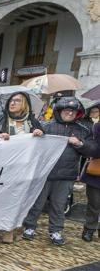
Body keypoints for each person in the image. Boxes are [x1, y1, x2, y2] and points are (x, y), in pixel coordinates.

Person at [22, 97, 96, 246]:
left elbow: (92, 149)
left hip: (66, 175)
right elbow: (31, 142)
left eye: (73, 111)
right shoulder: (46, 126)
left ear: (78, 113)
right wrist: (35, 132)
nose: (70, 113)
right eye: (67, 110)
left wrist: (80, 144)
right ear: (59, 111)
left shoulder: (83, 130)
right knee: (37, 202)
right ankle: (29, 227)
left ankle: (55, 230)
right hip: (44, 173)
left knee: (59, 204)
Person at [0, 92, 44, 243]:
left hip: (22, 169)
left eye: (17, 101)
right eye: (11, 100)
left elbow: (42, 143)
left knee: (15, 200)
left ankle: (8, 229)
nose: (12, 103)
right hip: (0, 167)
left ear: (25, 104)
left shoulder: (32, 122)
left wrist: (40, 133)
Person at [81, 104, 100, 242]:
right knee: (94, 203)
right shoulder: (97, 127)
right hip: (97, 172)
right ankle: (89, 228)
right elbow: (93, 148)